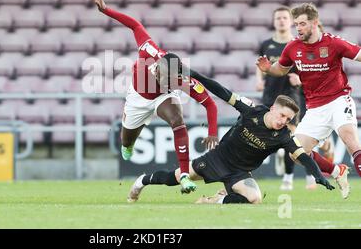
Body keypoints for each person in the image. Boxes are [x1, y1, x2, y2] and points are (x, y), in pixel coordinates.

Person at [127, 71, 335, 204]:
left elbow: (304, 156)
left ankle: (216, 200)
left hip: (239, 172)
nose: (283, 121)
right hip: (216, 160)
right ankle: (141, 181)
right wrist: (190, 73)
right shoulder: (251, 110)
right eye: (281, 115)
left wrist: (318, 174)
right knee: (174, 178)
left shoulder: (284, 136)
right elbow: (221, 90)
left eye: (288, 118)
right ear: (272, 109)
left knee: (254, 199)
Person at [89, 0, 218, 194]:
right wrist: (106, 10)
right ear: (156, 67)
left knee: (177, 119)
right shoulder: (149, 50)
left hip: (162, 99)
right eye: (163, 78)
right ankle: (128, 144)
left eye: (170, 80)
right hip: (138, 98)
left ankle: (184, 174)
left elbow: (210, 104)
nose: (166, 81)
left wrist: (212, 132)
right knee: (126, 141)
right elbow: (134, 24)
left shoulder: (181, 80)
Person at [257, 2, 361, 199]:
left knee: (350, 139)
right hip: (315, 108)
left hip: (339, 100)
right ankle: (337, 171)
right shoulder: (293, 47)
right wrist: (268, 68)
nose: (298, 28)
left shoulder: (334, 43)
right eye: (296, 24)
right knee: (296, 153)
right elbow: (281, 69)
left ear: (314, 23)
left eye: (302, 24)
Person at [257, 6, 321, 191]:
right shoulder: (266, 44)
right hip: (270, 95)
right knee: (266, 134)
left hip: (292, 96)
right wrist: (259, 78)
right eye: (278, 18)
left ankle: (289, 177)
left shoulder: (298, 44)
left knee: (292, 137)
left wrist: (300, 79)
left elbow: (311, 67)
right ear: (274, 21)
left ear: (290, 21)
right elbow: (261, 64)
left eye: (285, 18)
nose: (282, 21)